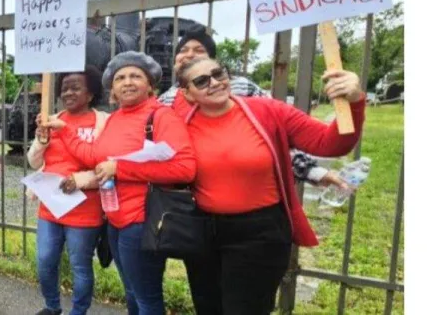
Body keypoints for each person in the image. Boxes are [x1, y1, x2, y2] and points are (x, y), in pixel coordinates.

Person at [176, 57, 366, 314]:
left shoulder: (268, 111)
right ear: (188, 94)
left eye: (218, 73)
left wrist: (353, 102)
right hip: (202, 233)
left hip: (258, 235)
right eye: (201, 81)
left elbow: (331, 144)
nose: (215, 83)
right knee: (208, 308)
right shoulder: (178, 123)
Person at [41, 52, 196, 315]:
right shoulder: (115, 119)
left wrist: (121, 169)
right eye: (120, 78)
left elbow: (184, 168)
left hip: (142, 220)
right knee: (132, 291)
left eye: (136, 76)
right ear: (112, 88)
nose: (127, 82)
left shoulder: (160, 117)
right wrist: (64, 129)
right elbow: (93, 156)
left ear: (150, 85)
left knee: (146, 296)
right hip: (115, 219)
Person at [159, 26, 348, 190]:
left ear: (211, 61)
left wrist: (312, 171)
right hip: (191, 201)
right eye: (183, 50)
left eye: (198, 50)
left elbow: (276, 138)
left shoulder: (243, 88)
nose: (189, 55)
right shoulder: (164, 101)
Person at [28, 66, 109, 315]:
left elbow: (106, 165)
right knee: (44, 261)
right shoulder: (51, 118)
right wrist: (42, 141)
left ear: (91, 93)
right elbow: (33, 161)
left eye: (76, 87)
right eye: (64, 88)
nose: (69, 93)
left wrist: (81, 179)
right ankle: (52, 306)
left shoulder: (103, 122)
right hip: (50, 206)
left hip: (85, 208)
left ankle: (78, 311)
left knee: (80, 266)